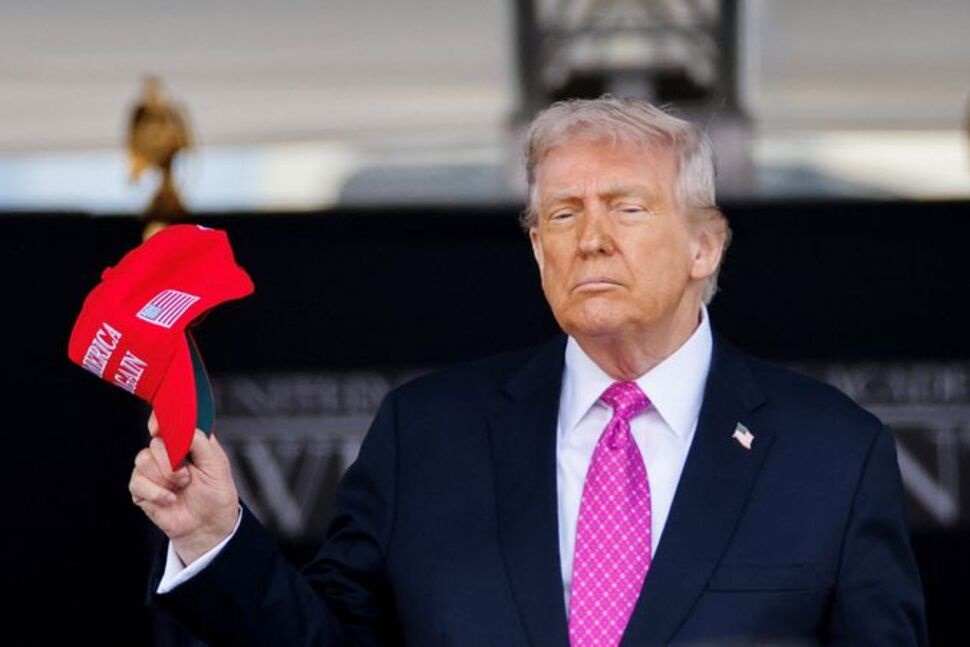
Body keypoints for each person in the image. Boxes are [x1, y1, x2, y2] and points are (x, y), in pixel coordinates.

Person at [129, 97, 927, 646]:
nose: (591, 238)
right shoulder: (428, 436)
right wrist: (213, 537)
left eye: (628, 207)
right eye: (563, 214)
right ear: (539, 248)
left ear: (704, 246)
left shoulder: (831, 453)